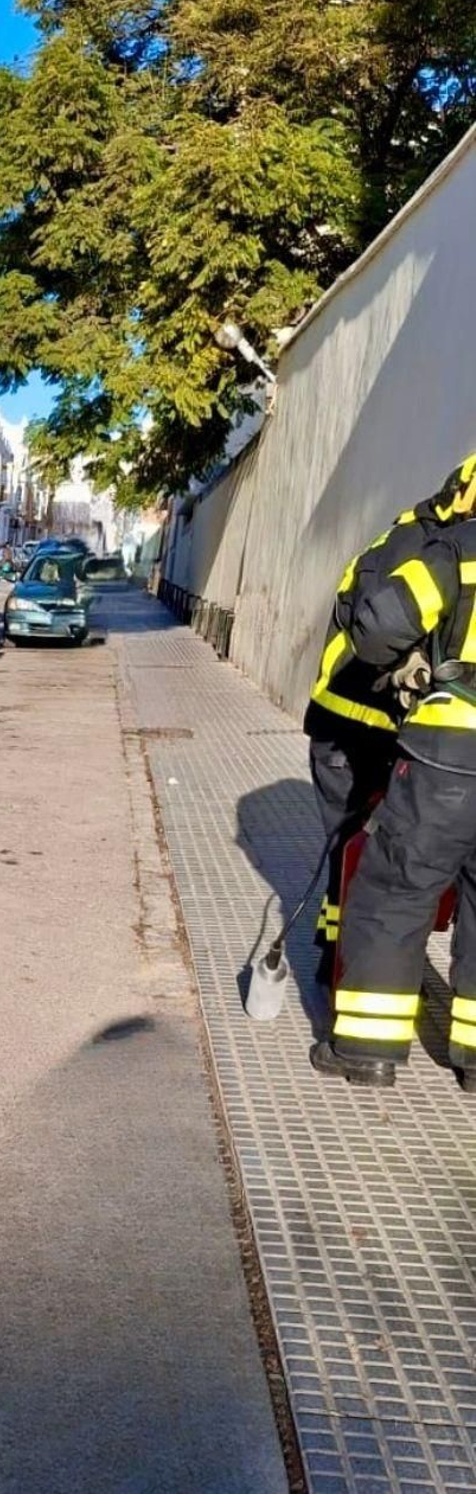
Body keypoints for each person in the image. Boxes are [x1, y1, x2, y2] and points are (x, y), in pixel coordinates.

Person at [318, 458, 476, 1089]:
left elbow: (379, 622)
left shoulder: (457, 552)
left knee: (396, 891)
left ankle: (366, 1050)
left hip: (449, 755)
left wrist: (415, 665)